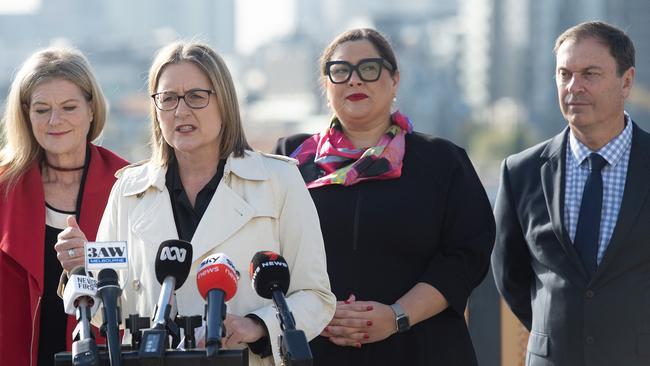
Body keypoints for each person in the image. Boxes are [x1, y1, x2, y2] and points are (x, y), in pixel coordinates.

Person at [63, 41, 335, 366]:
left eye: (196, 96)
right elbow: (109, 311)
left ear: (225, 102)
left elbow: (316, 298)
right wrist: (78, 271)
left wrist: (258, 325)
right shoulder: (128, 191)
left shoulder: (278, 181)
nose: (180, 111)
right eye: (167, 99)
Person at [274, 28, 495, 366]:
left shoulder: (441, 160)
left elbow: (465, 256)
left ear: (394, 80)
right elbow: (266, 252)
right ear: (326, 85)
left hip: (421, 348)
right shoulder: (290, 159)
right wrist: (311, 313)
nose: (354, 80)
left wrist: (396, 317)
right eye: (340, 70)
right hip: (313, 348)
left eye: (369, 69)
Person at [491, 21, 650, 366]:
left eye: (590, 74)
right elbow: (510, 275)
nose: (573, 87)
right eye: (565, 74)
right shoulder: (521, 172)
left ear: (626, 82)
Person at [0, 47, 128, 366]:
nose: (55, 121)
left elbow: (145, 286)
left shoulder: (129, 185)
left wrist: (93, 260)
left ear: (91, 109)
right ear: (26, 115)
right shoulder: (3, 187)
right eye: (42, 109)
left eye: (69, 107)